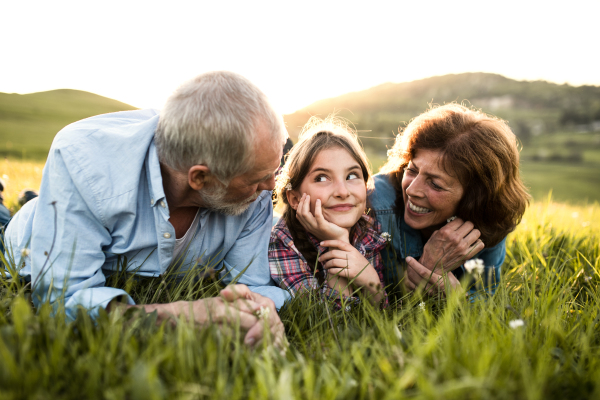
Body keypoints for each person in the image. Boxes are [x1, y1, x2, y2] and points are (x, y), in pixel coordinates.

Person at [3, 71, 289, 347]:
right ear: (200, 178)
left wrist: (260, 311)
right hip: (26, 243)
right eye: (257, 179)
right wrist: (183, 316)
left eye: (273, 171)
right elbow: (60, 305)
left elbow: (252, 285)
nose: (270, 186)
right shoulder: (83, 161)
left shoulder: (256, 187)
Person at [369, 103, 530, 296]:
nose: (412, 190)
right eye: (411, 170)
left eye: (435, 184)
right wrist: (428, 268)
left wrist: (457, 301)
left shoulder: (489, 218)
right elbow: (368, 308)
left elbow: (483, 302)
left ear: (475, 197)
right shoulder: (373, 204)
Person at [269, 117, 387, 307]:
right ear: (295, 199)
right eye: (322, 178)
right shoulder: (284, 241)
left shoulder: (367, 228)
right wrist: (339, 243)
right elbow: (327, 323)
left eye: (351, 176)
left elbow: (382, 314)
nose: (342, 192)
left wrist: (371, 281)